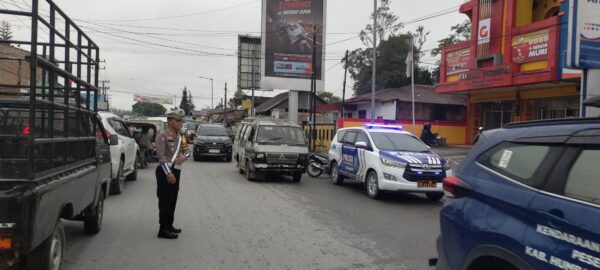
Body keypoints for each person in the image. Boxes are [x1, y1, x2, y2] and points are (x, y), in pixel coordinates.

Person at [155, 110, 188, 239]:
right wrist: (169, 173)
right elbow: (161, 156)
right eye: (177, 120)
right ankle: (163, 229)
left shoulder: (181, 137)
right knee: (165, 200)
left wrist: (184, 158)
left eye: (181, 121)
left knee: (173, 199)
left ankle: (169, 225)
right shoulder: (162, 136)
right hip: (165, 171)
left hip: (177, 170)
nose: (180, 123)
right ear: (170, 121)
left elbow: (187, 151)